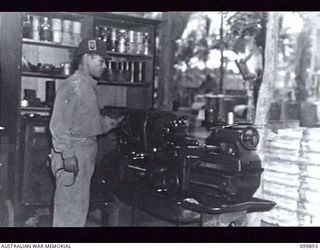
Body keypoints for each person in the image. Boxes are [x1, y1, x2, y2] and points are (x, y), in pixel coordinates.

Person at [49, 38, 122, 227]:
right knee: (68, 211)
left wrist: (107, 124)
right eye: (101, 61)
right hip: (74, 153)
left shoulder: (87, 86)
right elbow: (58, 125)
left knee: (78, 207)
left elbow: (82, 121)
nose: (104, 66)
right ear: (86, 58)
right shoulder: (74, 86)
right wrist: (67, 154)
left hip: (84, 151)